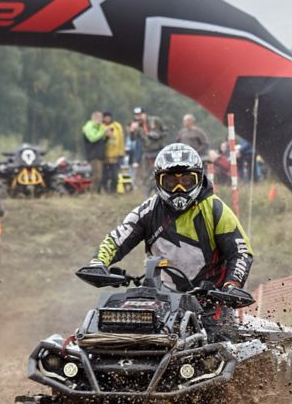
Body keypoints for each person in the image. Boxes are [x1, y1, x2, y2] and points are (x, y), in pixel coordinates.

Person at [87, 144, 252, 305]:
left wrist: (232, 285)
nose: (179, 188)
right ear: (158, 181)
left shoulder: (216, 209)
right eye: (171, 182)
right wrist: (98, 263)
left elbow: (241, 252)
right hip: (160, 299)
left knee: (220, 325)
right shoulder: (148, 211)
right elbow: (117, 239)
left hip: (210, 301)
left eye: (186, 181)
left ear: (199, 179)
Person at [82, 111, 108, 193]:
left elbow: (100, 140)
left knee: (99, 175)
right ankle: (92, 193)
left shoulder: (98, 127)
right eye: (100, 118)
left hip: (99, 154)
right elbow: (92, 138)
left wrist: (106, 136)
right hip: (93, 154)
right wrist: (103, 131)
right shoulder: (89, 126)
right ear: (95, 118)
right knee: (97, 176)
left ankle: (96, 192)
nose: (102, 120)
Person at [101, 111, 125, 194]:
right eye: (105, 117)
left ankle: (113, 191)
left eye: (108, 117)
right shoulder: (101, 127)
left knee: (115, 176)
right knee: (105, 176)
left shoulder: (117, 126)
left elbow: (121, 140)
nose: (107, 119)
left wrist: (121, 152)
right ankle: (105, 191)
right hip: (104, 157)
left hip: (115, 156)